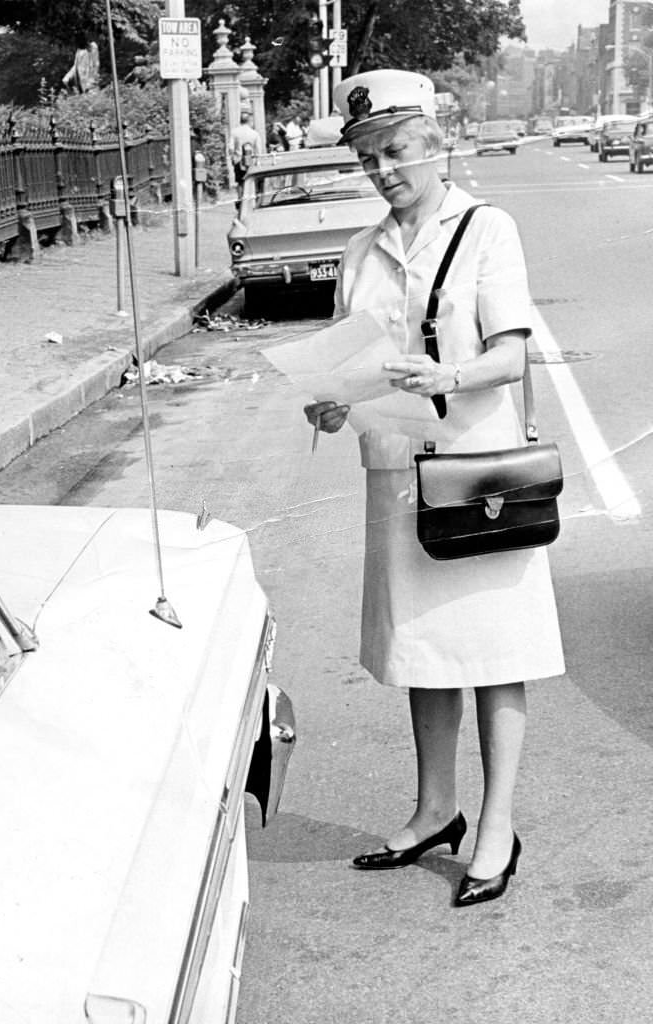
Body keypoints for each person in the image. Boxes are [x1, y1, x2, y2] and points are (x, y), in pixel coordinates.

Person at [304, 70, 565, 907]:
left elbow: (510, 354)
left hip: (477, 473)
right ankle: (434, 809)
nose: (384, 170)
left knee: (493, 652)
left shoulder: (488, 229)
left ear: (436, 144)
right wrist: (333, 402)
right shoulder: (359, 252)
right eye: (369, 156)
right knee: (425, 651)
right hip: (396, 471)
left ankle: (496, 825)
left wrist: (445, 372)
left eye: (398, 150)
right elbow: (351, 361)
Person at [229, 111, 262, 201]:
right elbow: (258, 149)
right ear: (249, 121)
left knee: (240, 182)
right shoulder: (254, 133)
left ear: (240, 120)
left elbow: (231, 147)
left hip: (238, 160)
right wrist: (258, 160)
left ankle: (240, 200)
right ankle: (254, 199)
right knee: (252, 180)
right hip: (251, 160)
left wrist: (232, 158)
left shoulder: (234, 132)